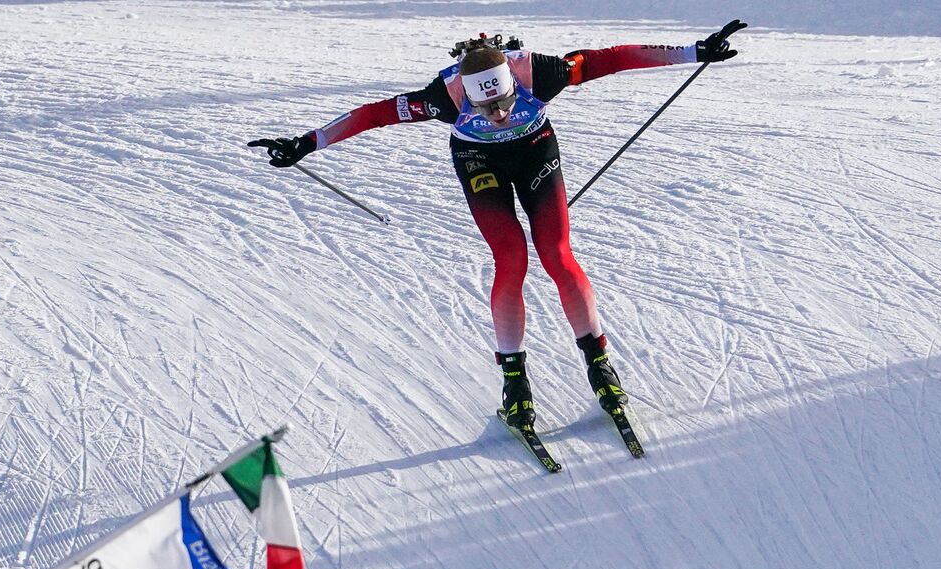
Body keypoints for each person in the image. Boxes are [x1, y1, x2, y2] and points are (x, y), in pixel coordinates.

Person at [249, 21, 746, 437]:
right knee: (512, 260)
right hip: (477, 159)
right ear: (466, 96)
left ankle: (600, 365)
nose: (500, 112)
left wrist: (694, 50)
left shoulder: (537, 71)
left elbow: (608, 59)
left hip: (535, 151)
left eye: (505, 102)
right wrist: (305, 143)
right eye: (487, 109)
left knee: (556, 254)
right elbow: (375, 114)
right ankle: (515, 382)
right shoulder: (442, 97)